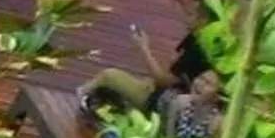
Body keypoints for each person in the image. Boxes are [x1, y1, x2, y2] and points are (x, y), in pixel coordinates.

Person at [79, 21, 214, 116]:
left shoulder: (197, 53)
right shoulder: (193, 38)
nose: (187, 18)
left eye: (192, 14)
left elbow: (162, 80)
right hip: (160, 88)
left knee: (108, 75)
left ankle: (79, 96)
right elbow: (172, 68)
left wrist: (143, 48)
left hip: (160, 99)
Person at [156, 68, 225, 138]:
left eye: (208, 83)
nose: (200, 84)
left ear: (216, 96)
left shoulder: (217, 122)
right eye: (200, 78)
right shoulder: (179, 103)